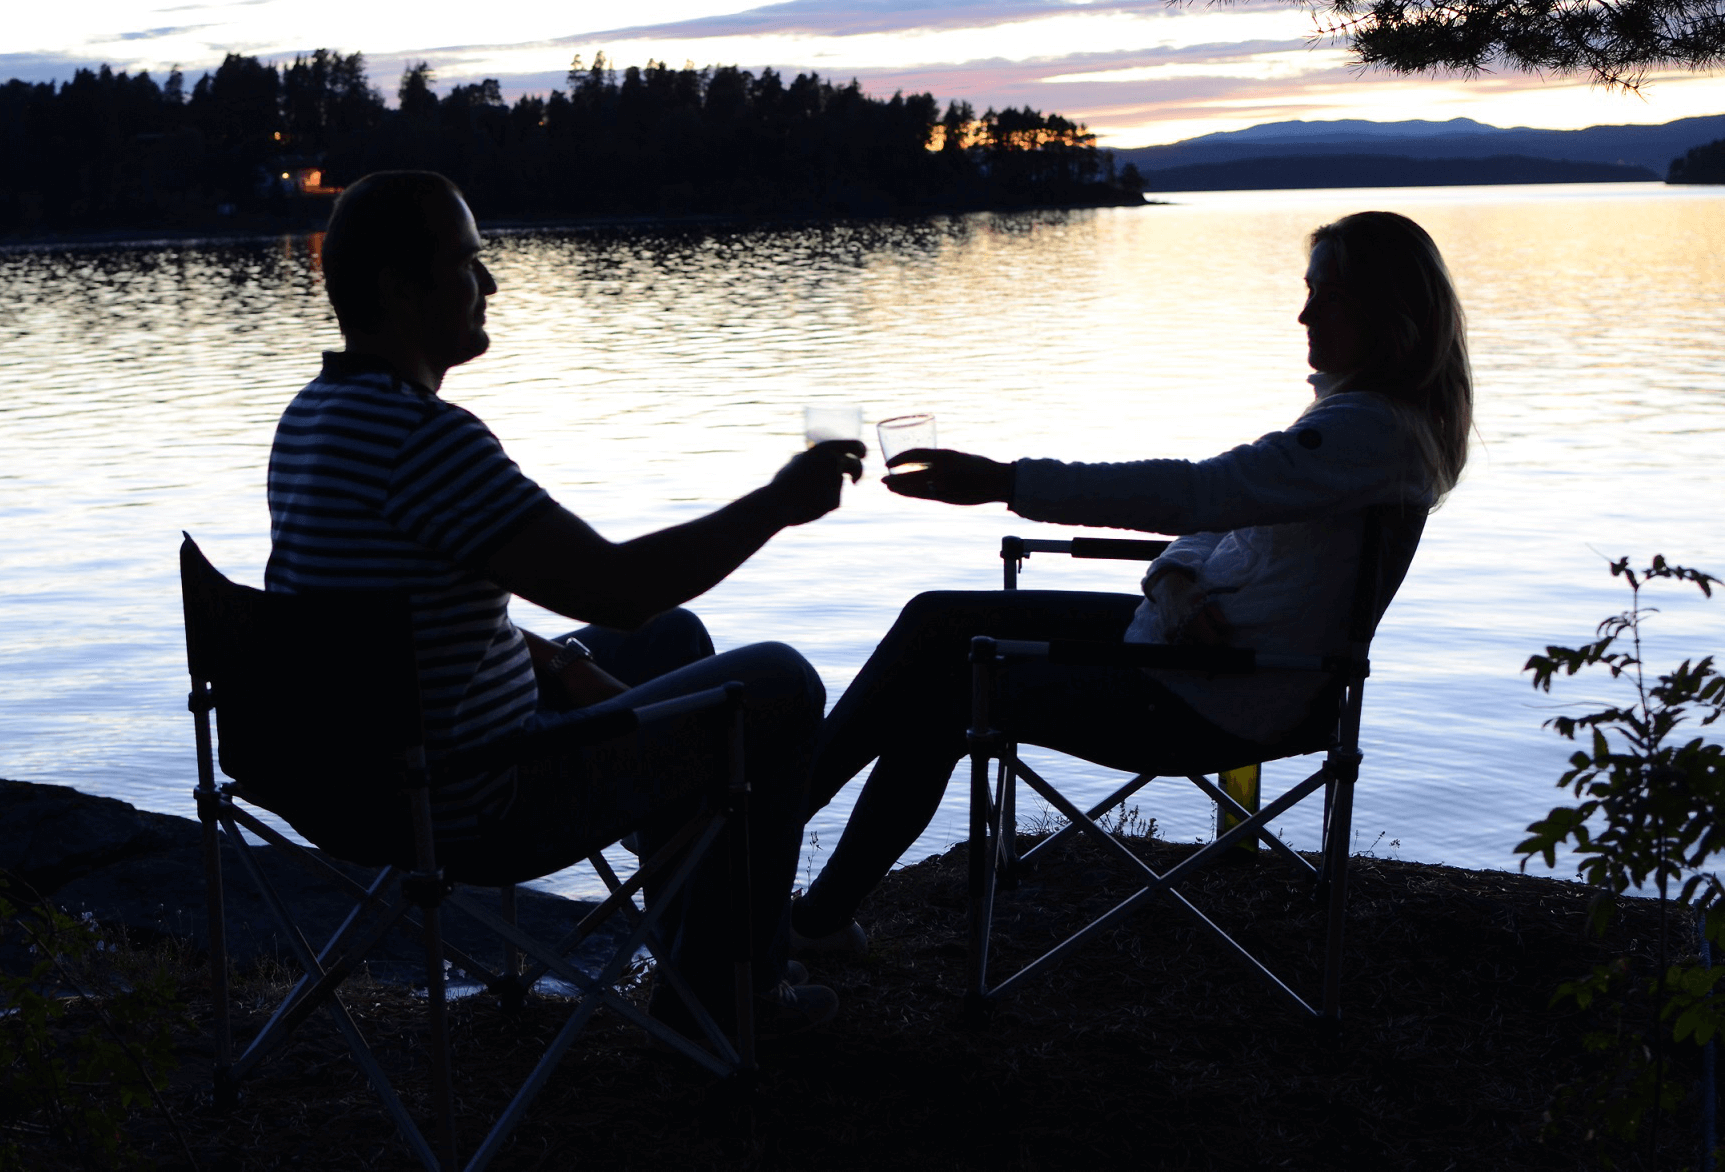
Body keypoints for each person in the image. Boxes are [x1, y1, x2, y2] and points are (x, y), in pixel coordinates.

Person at [265, 170, 865, 1030]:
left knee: (671, 640)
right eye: (469, 263)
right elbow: (618, 589)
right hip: (476, 798)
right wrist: (777, 503)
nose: (492, 285)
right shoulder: (426, 440)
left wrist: (560, 662)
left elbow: (412, 614)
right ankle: (728, 1003)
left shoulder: (318, 414)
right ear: (400, 287)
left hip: (355, 770)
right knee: (780, 682)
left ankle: (707, 961)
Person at [789, 210, 1472, 949]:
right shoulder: (1352, 420)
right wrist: (1177, 578)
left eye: (1327, 297)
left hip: (1215, 697)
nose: (1303, 313)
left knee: (944, 700)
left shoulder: (1369, 433)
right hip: (1186, 652)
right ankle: (782, 842)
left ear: (1386, 311)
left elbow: (1197, 493)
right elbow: (1225, 514)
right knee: (937, 619)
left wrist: (1006, 480)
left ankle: (777, 859)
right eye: (1307, 292)